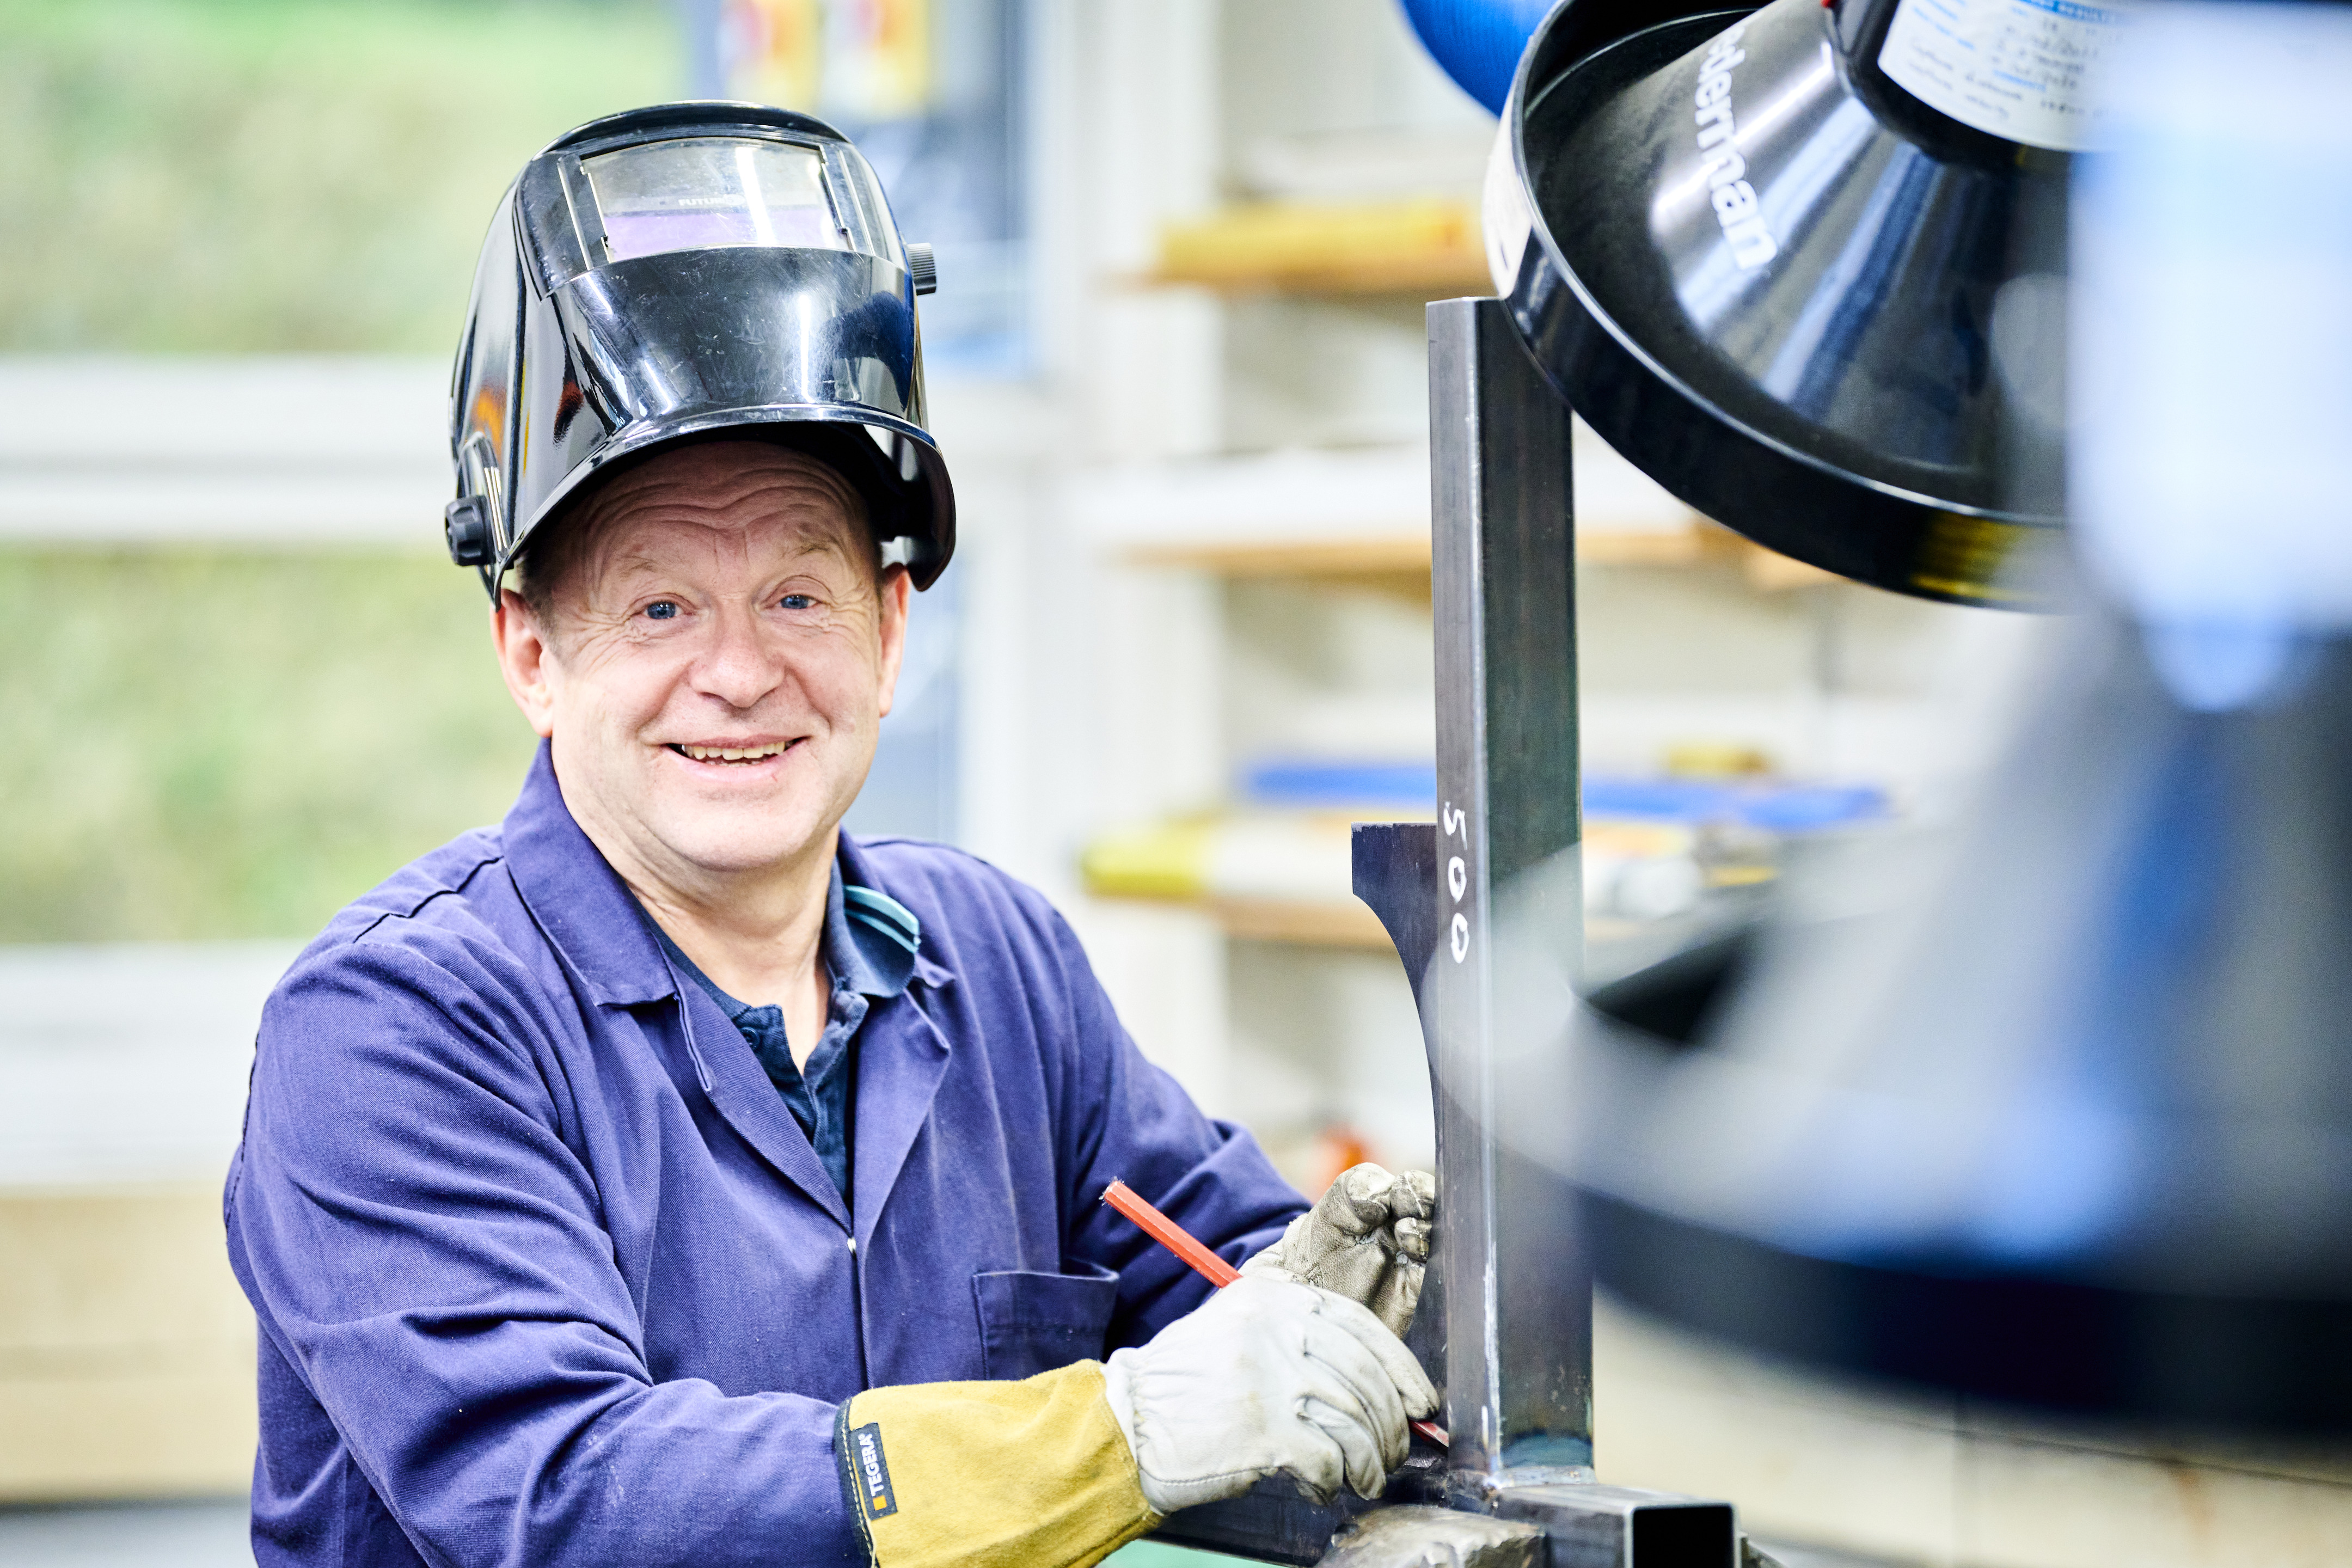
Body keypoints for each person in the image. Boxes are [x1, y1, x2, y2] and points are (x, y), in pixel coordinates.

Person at [224, 105, 1439, 1568]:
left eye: (799, 597)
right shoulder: (396, 1026)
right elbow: (567, 1502)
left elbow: (1211, 1274)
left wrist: (1316, 1324)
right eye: (660, 606)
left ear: (890, 630)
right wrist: (1120, 1433)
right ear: (531, 653)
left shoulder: (998, 966)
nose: (739, 673)